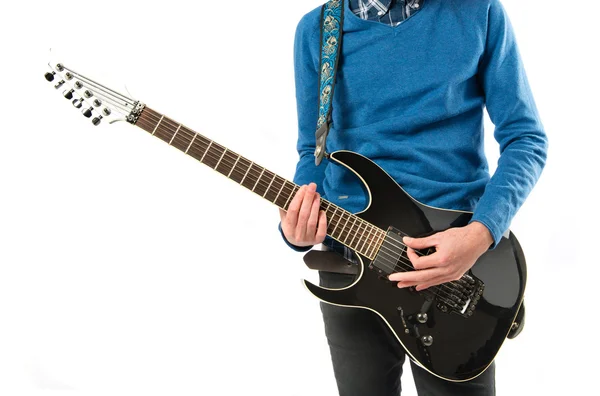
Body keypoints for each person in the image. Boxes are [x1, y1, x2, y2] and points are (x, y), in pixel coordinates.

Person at [278, 0, 548, 395]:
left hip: (455, 268)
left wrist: (479, 235)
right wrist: (297, 223)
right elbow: (313, 151)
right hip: (349, 265)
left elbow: (527, 139)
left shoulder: (479, 11)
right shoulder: (317, 29)